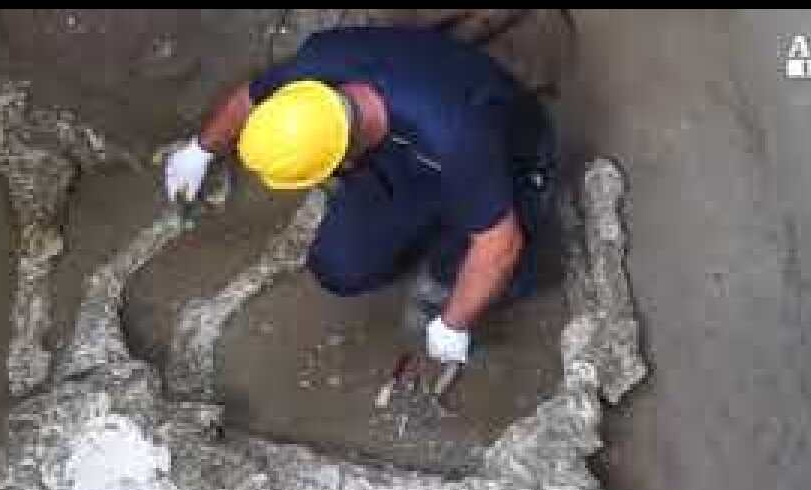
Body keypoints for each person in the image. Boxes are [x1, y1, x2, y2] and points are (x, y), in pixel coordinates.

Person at [163, 25, 556, 367]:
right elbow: (250, 99)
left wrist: (454, 325)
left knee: (489, 268)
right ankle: (436, 238)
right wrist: (200, 151)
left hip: (500, 152)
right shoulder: (311, 79)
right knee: (339, 266)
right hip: (398, 156)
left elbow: (500, 243)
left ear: (344, 154)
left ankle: (454, 262)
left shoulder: (456, 133)